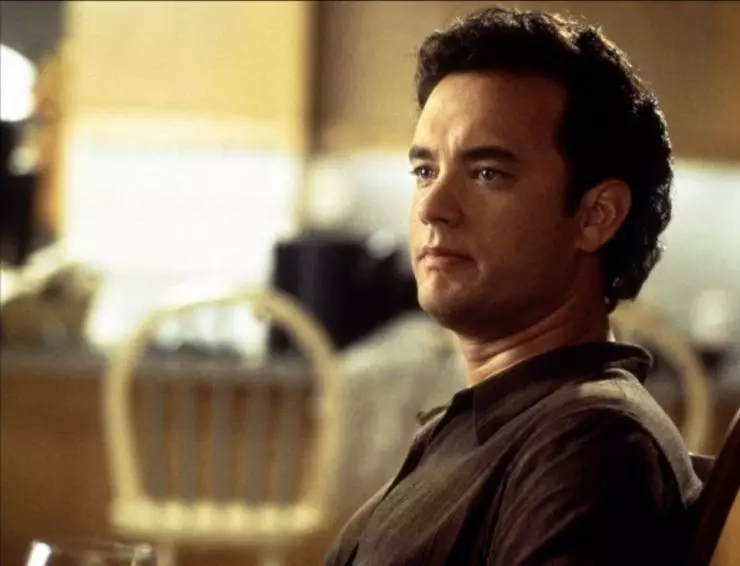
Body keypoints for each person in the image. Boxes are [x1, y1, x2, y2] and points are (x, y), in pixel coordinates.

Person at [325, 6, 702, 566]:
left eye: (487, 173)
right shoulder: (490, 424)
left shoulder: (590, 446)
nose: (432, 206)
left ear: (596, 215)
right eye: (425, 171)